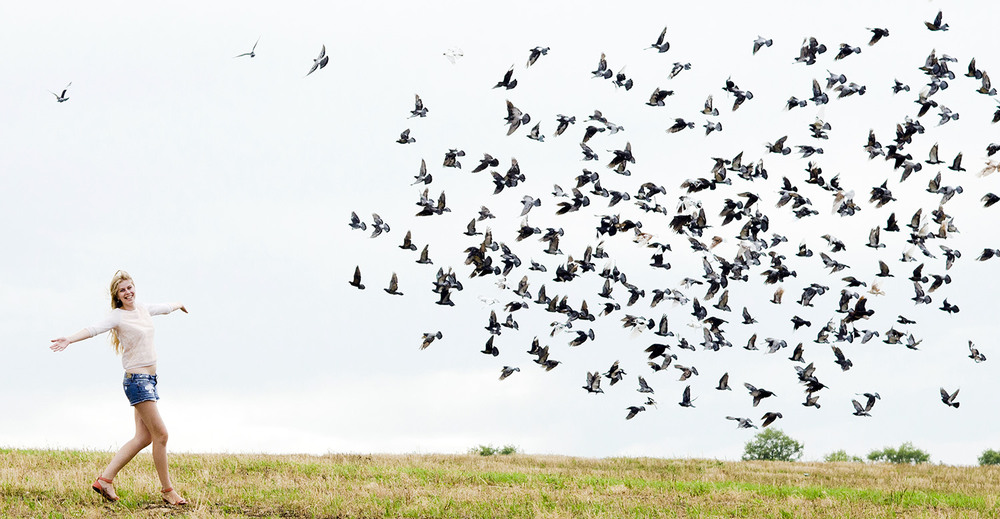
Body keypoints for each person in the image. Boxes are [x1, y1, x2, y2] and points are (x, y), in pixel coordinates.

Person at [50, 270, 189, 506]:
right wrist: (69, 340)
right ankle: (168, 491)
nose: (128, 292)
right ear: (117, 295)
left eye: (130, 287)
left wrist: (179, 304)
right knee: (162, 435)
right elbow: (93, 329)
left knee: (144, 437)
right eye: (122, 290)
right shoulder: (118, 316)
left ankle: (105, 480)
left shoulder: (144, 309)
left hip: (150, 381)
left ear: (135, 288)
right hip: (138, 381)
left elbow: (165, 307)